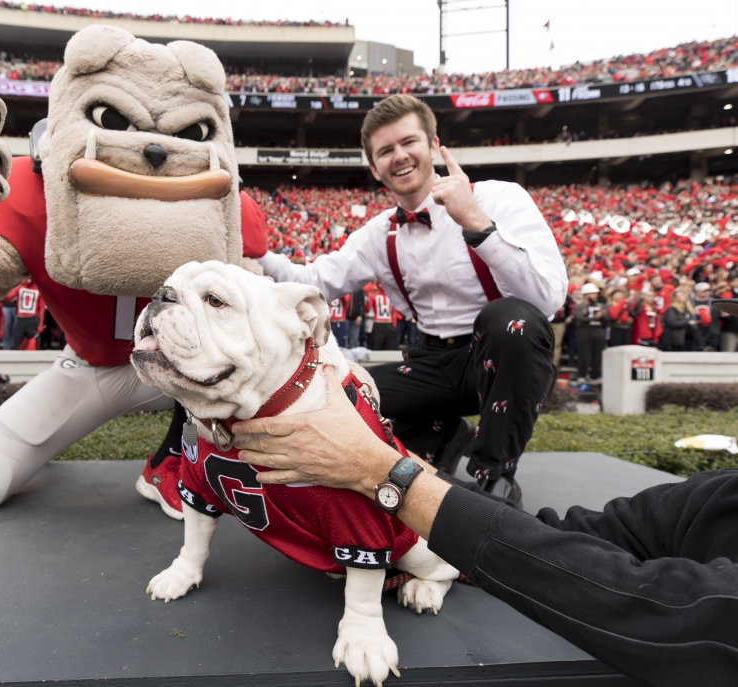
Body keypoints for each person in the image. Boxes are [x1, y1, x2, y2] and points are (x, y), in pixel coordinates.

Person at [228, 369, 738, 687]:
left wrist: (384, 476)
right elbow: (577, 535)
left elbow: (675, 615)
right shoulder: (721, 495)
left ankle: (489, 462)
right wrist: (389, 459)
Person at [256, 94, 567, 504]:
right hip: (431, 363)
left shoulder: (499, 198)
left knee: (510, 319)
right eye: (386, 151)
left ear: (435, 145)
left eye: (409, 142)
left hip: (502, 357)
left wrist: (475, 222)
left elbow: (547, 300)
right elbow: (314, 280)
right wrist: (258, 250)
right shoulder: (377, 233)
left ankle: (495, 477)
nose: (399, 156)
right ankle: (444, 433)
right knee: (345, 396)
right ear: (374, 167)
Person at [573, 283, 608, 382]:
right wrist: (594, 317)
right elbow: (578, 318)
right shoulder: (579, 306)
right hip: (584, 331)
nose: (596, 296)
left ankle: (595, 375)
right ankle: (582, 375)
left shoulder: (601, 305)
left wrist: (603, 315)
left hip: (598, 330)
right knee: (584, 354)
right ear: (586, 295)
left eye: (596, 293)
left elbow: (607, 320)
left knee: (597, 354)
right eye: (593, 293)